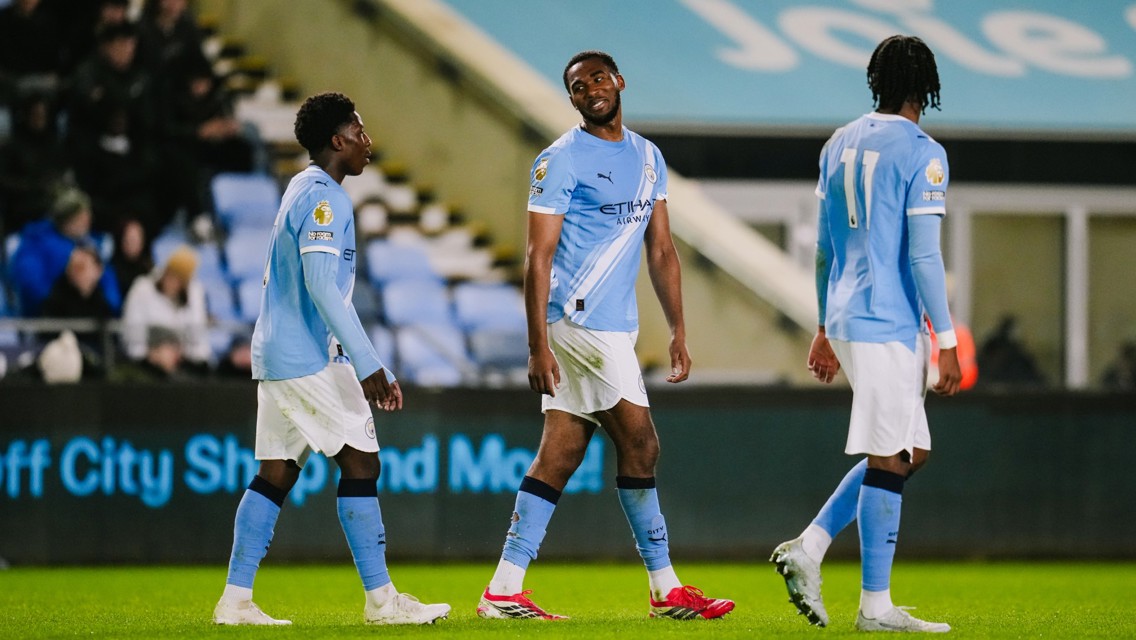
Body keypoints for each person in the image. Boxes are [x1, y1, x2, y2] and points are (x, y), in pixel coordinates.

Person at [475, 50, 734, 622]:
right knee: (641, 444)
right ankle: (666, 589)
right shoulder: (559, 160)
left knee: (561, 453)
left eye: (597, 78)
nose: (589, 88)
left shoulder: (648, 156)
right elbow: (536, 258)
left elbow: (662, 249)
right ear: (570, 98)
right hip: (577, 318)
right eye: (576, 85)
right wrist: (537, 343)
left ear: (618, 81)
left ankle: (503, 589)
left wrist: (678, 331)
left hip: (613, 322)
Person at [212, 92, 450, 626]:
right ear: (337, 140)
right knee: (362, 461)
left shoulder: (301, 186)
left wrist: (366, 360)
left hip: (278, 352)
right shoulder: (325, 199)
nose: (368, 142)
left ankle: (235, 601)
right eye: (360, 133)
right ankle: (383, 603)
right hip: (304, 355)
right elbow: (322, 286)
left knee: (275, 473)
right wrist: (370, 366)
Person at [769, 35, 961, 633]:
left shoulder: (839, 142)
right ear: (924, 87)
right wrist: (948, 339)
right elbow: (925, 258)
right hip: (888, 320)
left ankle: (811, 545)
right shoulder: (924, 152)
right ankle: (874, 608)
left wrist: (825, 325)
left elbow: (825, 249)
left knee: (911, 451)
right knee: (890, 454)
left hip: (852, 316)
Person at [9, 188, 122, 317]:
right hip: (47, 321)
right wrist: (63, 296)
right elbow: (29, 284)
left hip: (89, 319)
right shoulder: (36, 242)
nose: (87, 221)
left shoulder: (91, 244)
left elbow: (109, 287)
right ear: (68, 219)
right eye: (82, 217)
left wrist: (102, 300)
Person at [120, 244, 210, 369]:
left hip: (182, 363)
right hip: (148, 362)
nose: (173, 282)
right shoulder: (142, 289)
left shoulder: (194, 293)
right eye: (171, 275)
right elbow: (133, 335)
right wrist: (151, 355)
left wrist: (181, 354)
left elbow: (198, 338)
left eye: (180, 279)